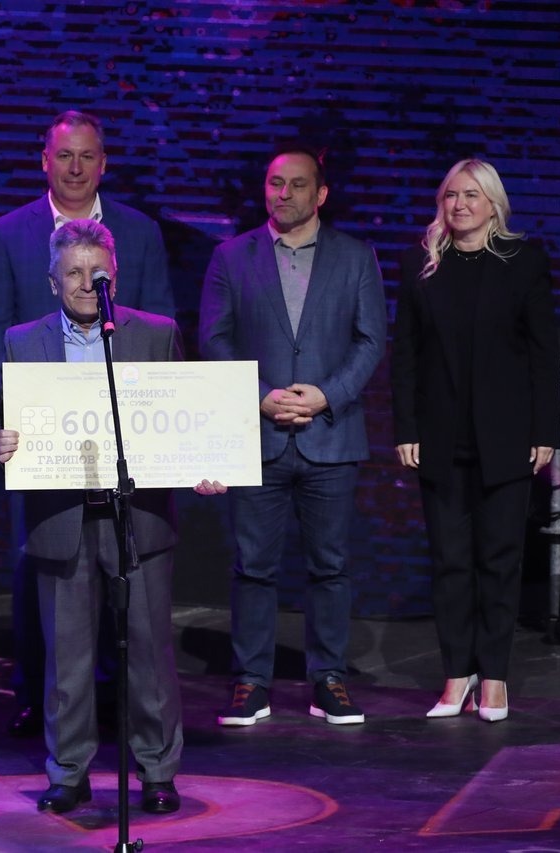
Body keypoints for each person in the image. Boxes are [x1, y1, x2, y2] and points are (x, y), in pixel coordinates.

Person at [0, 219, 224, 816]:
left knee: (149, 654)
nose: (85, 283)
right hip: (62, 517)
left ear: (114, 277)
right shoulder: (23, 340)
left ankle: (157, 771)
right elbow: (4, 416)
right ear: (52, 282)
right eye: (73, 273)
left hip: (137, 517)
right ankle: (68, 773)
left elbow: (185, 417)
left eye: (97, 272)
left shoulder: (155, 333)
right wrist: (1, 438)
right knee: (67, 660)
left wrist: (204, 462)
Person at [0, 110, 176, 737]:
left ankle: (122, 711)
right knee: (48, 578)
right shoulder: (9, 234)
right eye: (64, 155)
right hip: (46, 446)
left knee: (133, 597)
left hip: (128, 444)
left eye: (88, 155)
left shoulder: (139, 232)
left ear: (104, 163)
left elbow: (162, 337)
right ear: (45, 161)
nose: (76, 167)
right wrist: (6, 421)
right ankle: (42, 703)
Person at [198, 144, 386, 727]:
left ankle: (328, 679)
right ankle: (250, 682)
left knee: (329, 566)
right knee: (254, 566)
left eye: (297, 184)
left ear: (321, 193)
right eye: (275, 183)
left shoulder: (355, 256)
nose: (284, 193)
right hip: (258, 434)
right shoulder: (232, 256)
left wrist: (327, 394)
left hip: (330, 435)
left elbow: (371, 339)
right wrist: (259, 395)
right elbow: (214, 338)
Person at [391, 159, 559, 722]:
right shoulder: (421, 263)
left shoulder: (523, 261)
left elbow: (544, 354)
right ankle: (456, 674)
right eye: (451, 195)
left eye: (471, 195)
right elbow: (405, 355)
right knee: (450, 563)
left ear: (493, 204)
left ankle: (494, 678)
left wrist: (546, 431)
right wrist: (406, 428)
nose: (459, 205)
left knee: (499, 561)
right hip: (440, 438)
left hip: (507, 439)